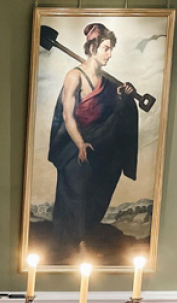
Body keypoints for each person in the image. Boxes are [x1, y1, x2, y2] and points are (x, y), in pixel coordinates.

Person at [48, 23, 138, 255]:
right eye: (106, 48)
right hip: (73, 144)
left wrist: (123, 99)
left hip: (99, 145)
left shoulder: (109, 83)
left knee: (103, 182)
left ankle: (84, 237)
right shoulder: (74, 76)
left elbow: (112, 115)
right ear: (92, 48)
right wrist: (79, 143)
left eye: (111, 49)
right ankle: (74, 243)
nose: (109, 54)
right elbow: (67, 115)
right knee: (77, 184)